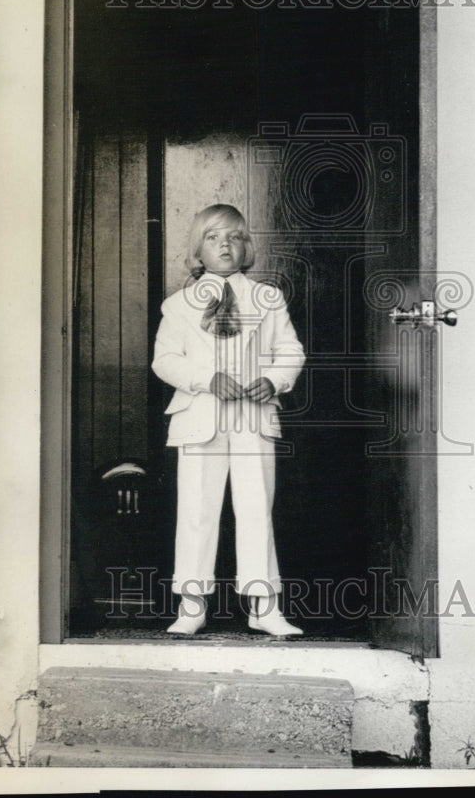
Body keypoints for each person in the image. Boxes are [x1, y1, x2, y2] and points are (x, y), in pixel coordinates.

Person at [152, 203, 306, 636]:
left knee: (257, 508)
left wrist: (273, 380)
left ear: (247, 248)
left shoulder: (267, 299)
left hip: (253, 420)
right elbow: (164, 361)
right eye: (214, 238)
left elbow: (291, 352)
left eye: (235, 238)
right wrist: (205, 379)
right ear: (197, 251)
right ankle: (191, 603)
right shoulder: (179, 306)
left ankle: (264, 606)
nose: (225, 246)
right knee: (198, 511)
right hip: (200, 420)